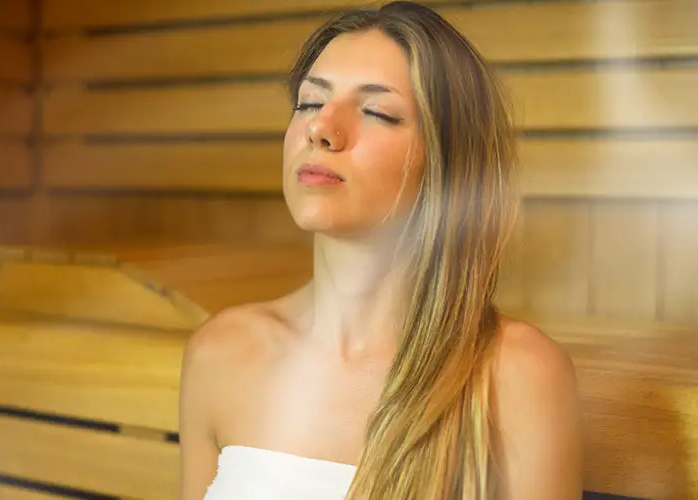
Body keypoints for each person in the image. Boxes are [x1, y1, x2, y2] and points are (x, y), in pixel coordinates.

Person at [178, 2, 584, 499]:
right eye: (309, 103)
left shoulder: (516, 376)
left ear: (447, 165)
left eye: (376, 112)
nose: (321, 129)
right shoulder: (222, 353)